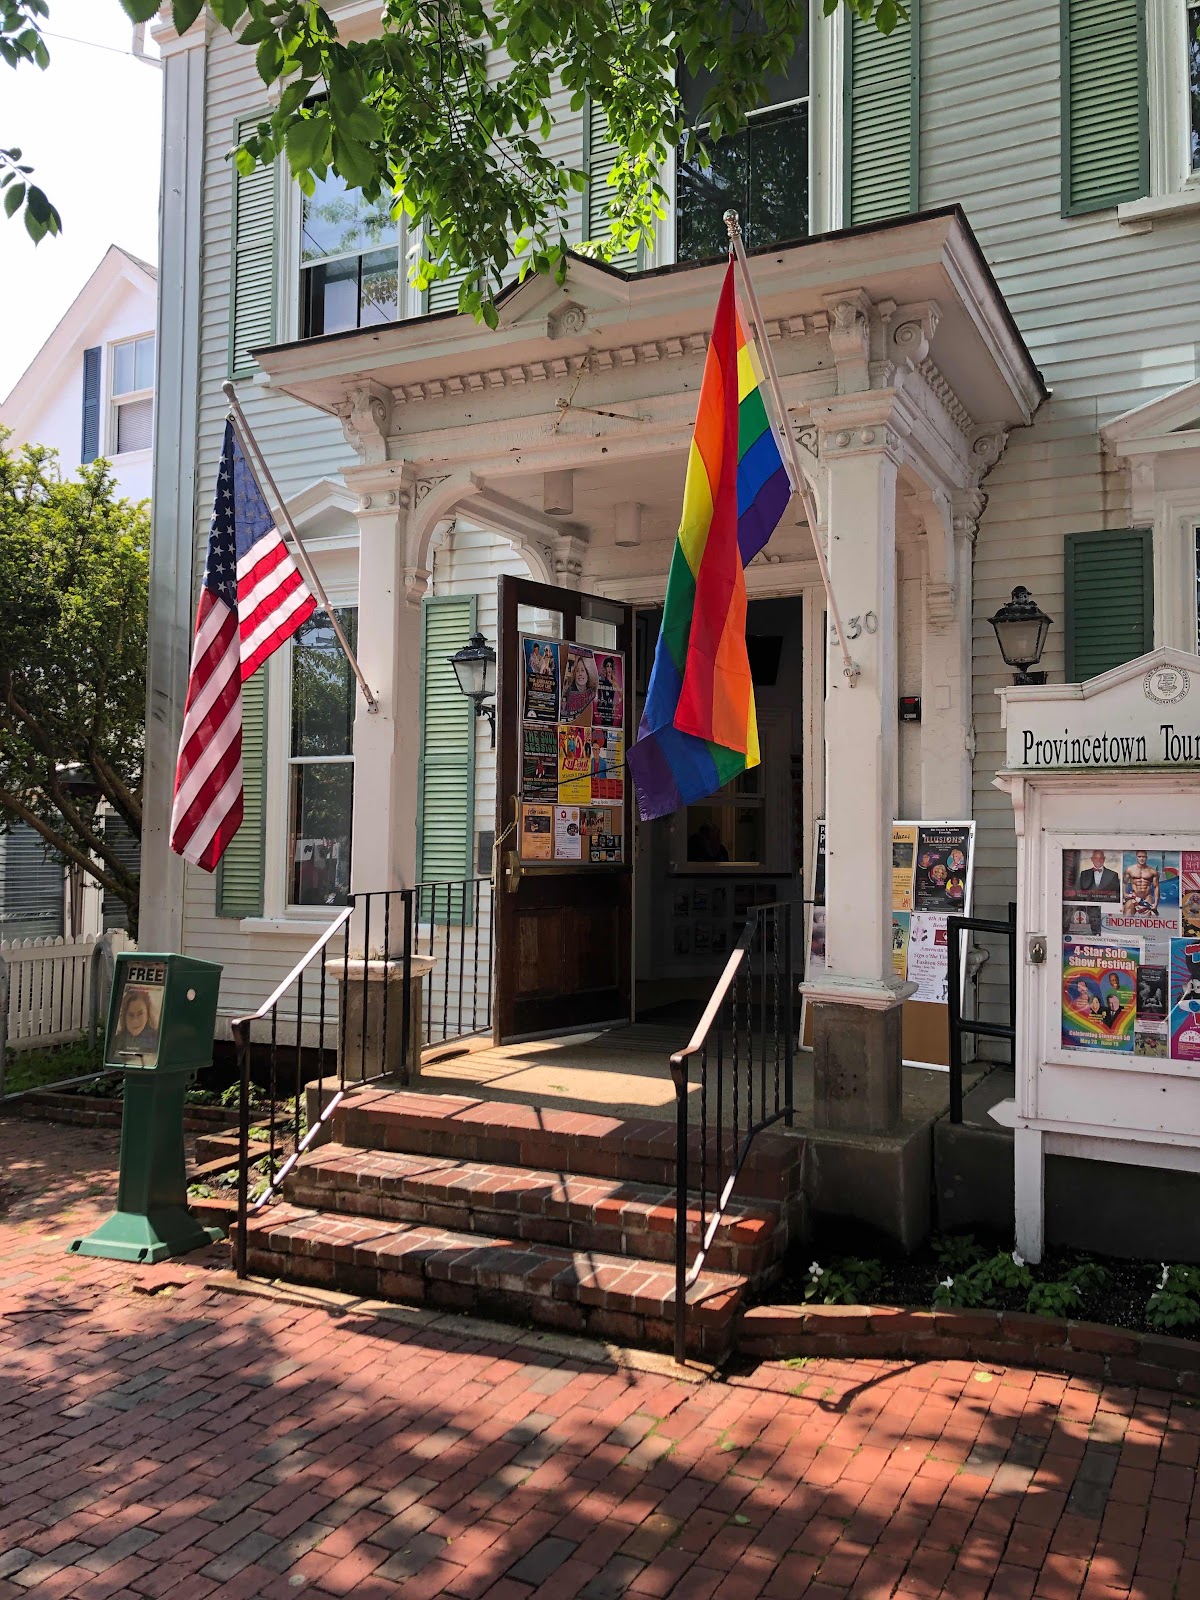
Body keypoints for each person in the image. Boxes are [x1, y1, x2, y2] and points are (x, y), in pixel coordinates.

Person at [113, 986, 159, 1060]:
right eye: (130, 1015)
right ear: (124, 1017)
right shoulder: (116, 1041)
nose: (135, 1021)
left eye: (140, 1014)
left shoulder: (159, 1039)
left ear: (148, 1014)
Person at [563, 652, 596, 725]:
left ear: (587, 674)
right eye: (577, 671)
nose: (580, 674)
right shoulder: (567, 693)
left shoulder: (593, 694)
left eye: (583, 670)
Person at [1123, 849, 1160, 914]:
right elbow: (1124, 883)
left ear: (1146, 858)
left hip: (1147, 898)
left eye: (1143, 857)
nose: (1141, 859)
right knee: (1126, 917)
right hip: (1133, 897)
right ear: (1136, 857)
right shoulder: (1130, 870)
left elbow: (1156, 887)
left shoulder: (1152, 872)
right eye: (1139, 857)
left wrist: (1156, 903)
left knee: (1147, 920)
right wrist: (1124, 894)